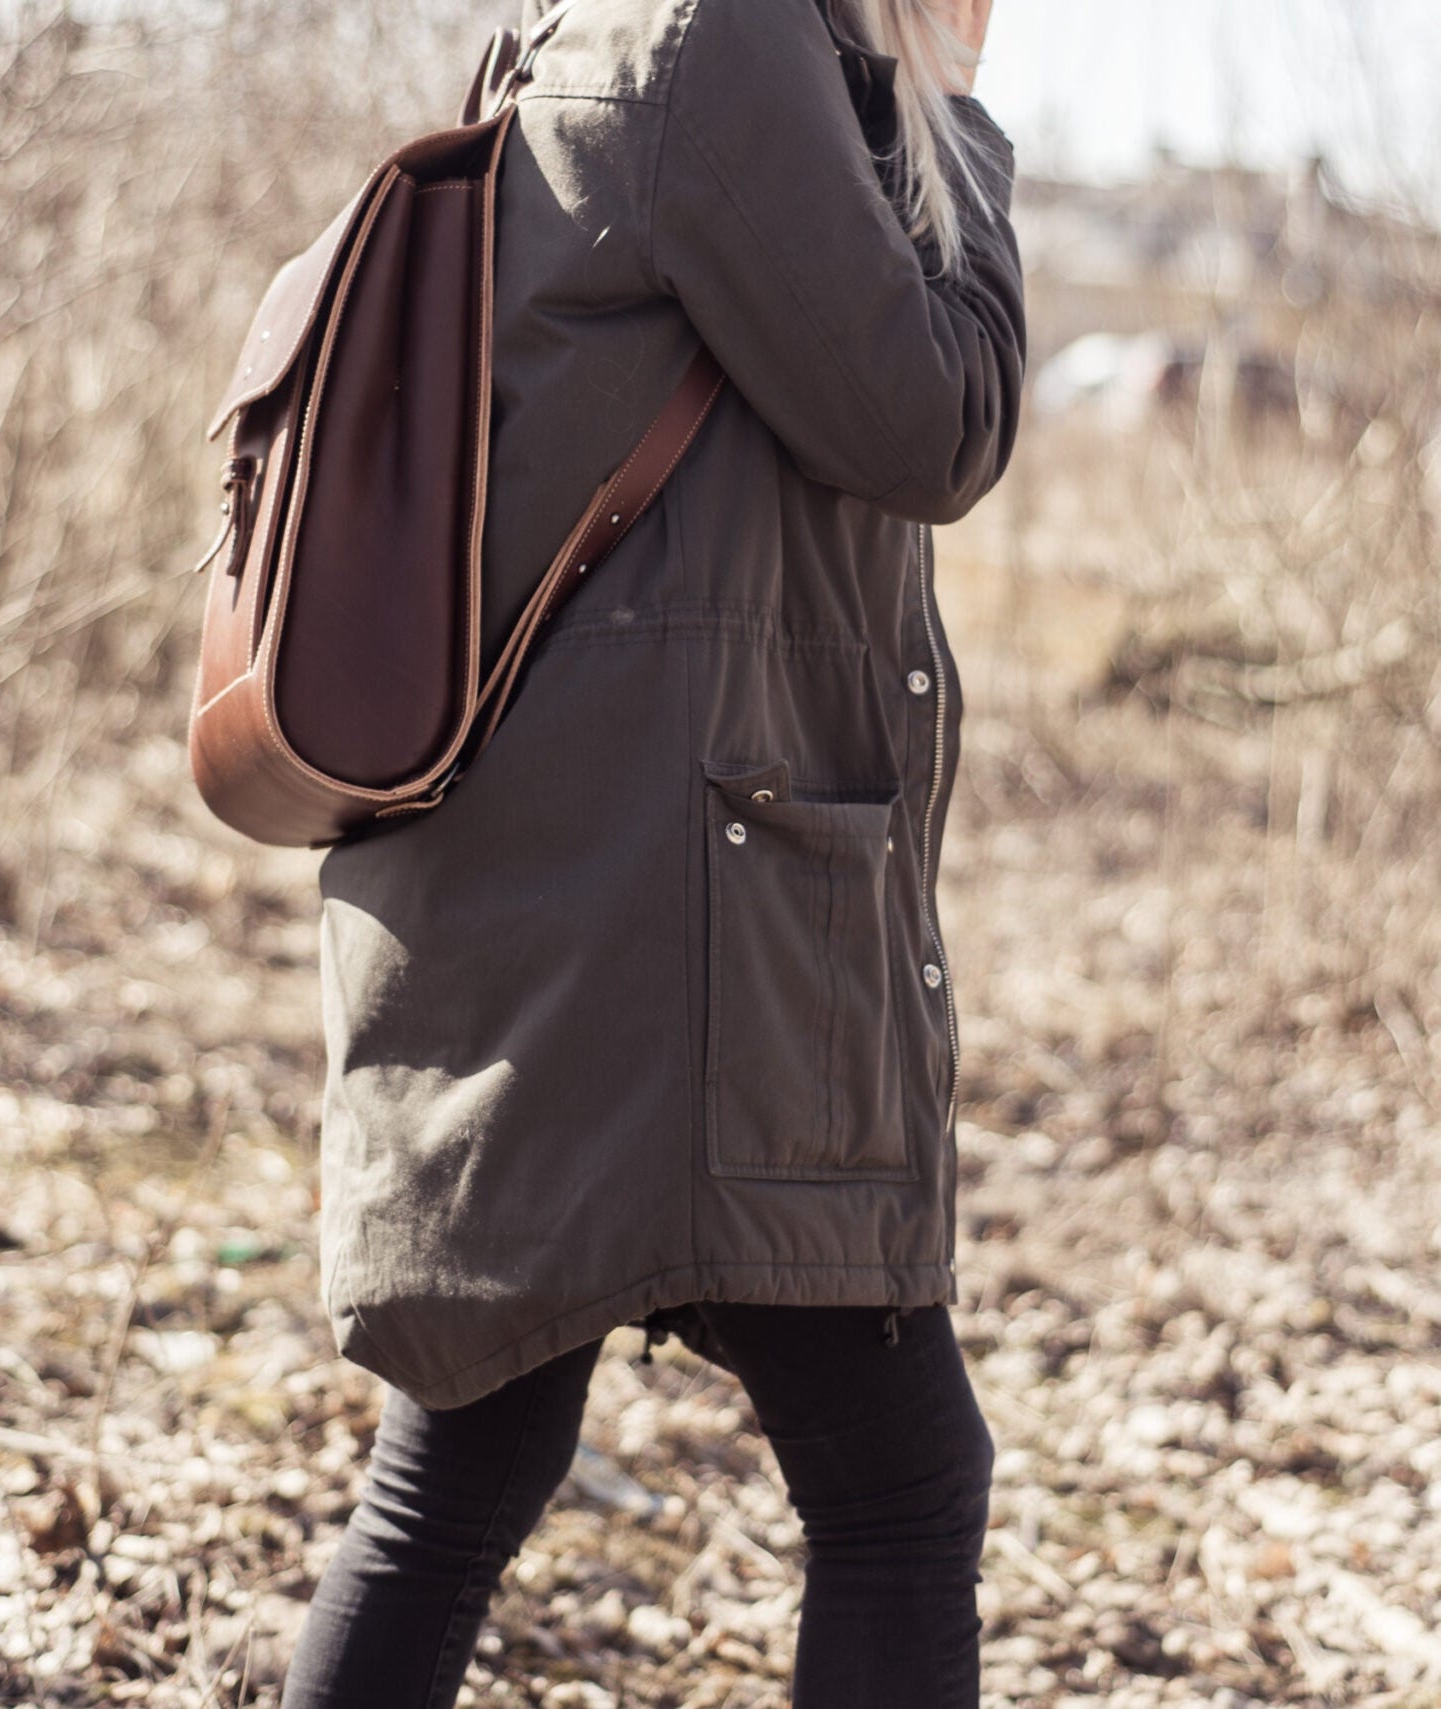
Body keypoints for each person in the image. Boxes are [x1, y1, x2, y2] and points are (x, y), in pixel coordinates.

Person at [283, 0, 1022, 1701]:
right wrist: (955, 113)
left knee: (455, 1477)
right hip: (682, 921)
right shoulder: (723, 37)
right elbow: (934, 422)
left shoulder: (603, 26)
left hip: (564, 879)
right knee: (901, 1490)